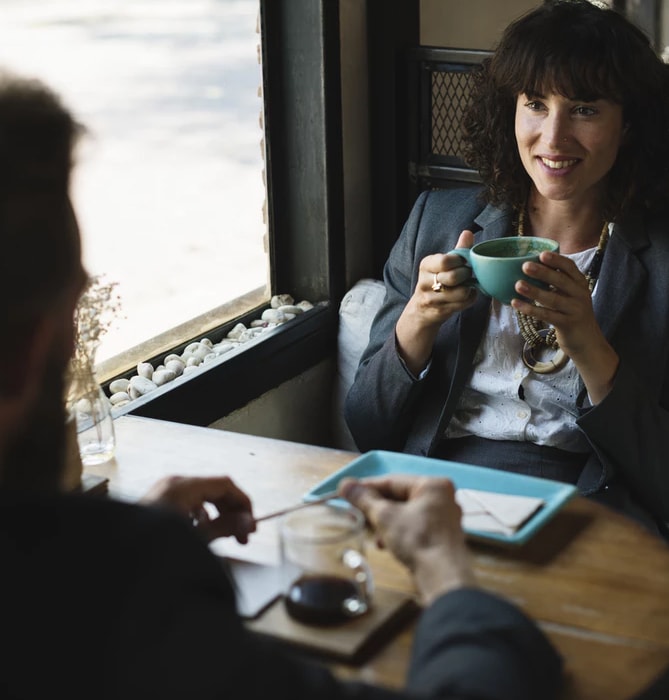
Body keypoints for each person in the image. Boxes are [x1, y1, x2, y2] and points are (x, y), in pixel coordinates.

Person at [0, 72, 565, 699]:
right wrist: (449, 576)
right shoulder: (131, 590)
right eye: (80, 307)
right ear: (26, 355)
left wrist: (112, 551)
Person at [345, 0, 669, 536]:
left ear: (629, 123)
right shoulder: (439, 220)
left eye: (585, 109)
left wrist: (587, 342)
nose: (553, 137)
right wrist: (417, 322)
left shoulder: (658, 261)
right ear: (509, 111)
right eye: (536, 104)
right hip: (438, 491)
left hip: (590, 507)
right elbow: (367, 428)